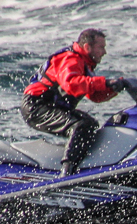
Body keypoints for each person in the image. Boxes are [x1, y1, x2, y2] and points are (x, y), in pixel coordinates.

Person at [21, 28, 125, 177]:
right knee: (82, 125)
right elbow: (71, 83)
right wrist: (105, 81)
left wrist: (117, 87)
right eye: (101, 47)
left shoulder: (85, 64)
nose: (104, 52)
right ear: (87, 47)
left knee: (90, 124)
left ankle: (82, 167)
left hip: (50, 107)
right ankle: (67, 174)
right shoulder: (70, 58)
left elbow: (95, 96)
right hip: (36, 105)